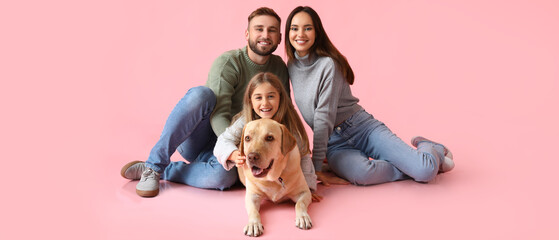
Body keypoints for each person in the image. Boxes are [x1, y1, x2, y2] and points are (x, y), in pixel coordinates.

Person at [120, 7, 289, 197]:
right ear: (247, 33)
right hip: (200, 136)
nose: (265, 35)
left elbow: (282, 113)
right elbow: (219, 114)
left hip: (238, 143)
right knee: (202, 95)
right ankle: (153, 166)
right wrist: (232, 149)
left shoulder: (279, 68)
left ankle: (169, 171)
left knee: (224, 179)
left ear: (280, 37)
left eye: (272, 30)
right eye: (259, 29)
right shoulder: (229, 62)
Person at [284, 6, 455, 186]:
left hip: (362, 128)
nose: (300, 34)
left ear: (317, 32)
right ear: (288, 32)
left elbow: (323, 116)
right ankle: (412, 163)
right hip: (335, 144)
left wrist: (316, 166)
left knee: (424, 171)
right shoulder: (291, 67)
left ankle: (431, 148)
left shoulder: (328, 64)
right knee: (362, 175)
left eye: (307, 28)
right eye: (294, 28)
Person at [213, 72, 322, 201]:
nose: (265, 103)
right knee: (220, 177)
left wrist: (307, 186)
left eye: (270, 96)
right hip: (238, 164)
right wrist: (233, 154)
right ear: (250, 101)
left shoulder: (287, 125)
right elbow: (223, 140)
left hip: (268, 170)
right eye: (258, 98)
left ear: (280, 98)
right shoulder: (245, 121)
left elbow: (303, 154)